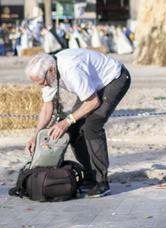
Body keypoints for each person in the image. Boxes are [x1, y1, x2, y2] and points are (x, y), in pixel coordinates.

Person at [23, 49, 130, 197]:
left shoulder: (71, 69)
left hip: (114, 78)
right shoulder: (49, 76)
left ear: (51, 70)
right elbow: (47, 107)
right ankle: (90, 176)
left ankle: (101, 182)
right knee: (73, 130)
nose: (42, 86)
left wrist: (66, 121)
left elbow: (93, 102)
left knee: (92, 125)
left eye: (42, 83)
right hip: (92, 85)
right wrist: (36, 137)